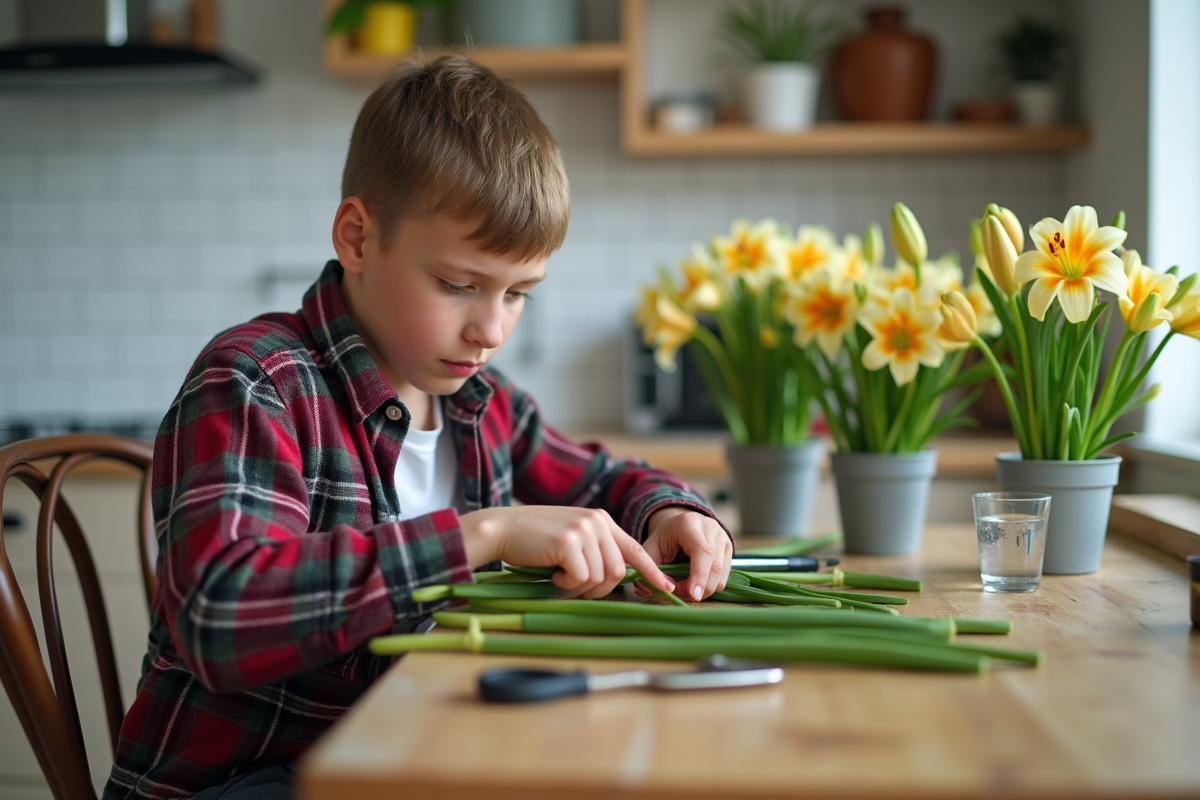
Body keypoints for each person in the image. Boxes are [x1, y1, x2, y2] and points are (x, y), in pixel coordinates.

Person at [104, 54, 733, 800]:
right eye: (459, 285)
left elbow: (603, 478)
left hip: (409, 757)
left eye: (519, 294)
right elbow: (220, 614)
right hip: (248, 781)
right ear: (359, 238)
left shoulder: (482, 402)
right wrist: (482, 537)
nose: (491, 329)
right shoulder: (255, 381)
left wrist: (673, 510)